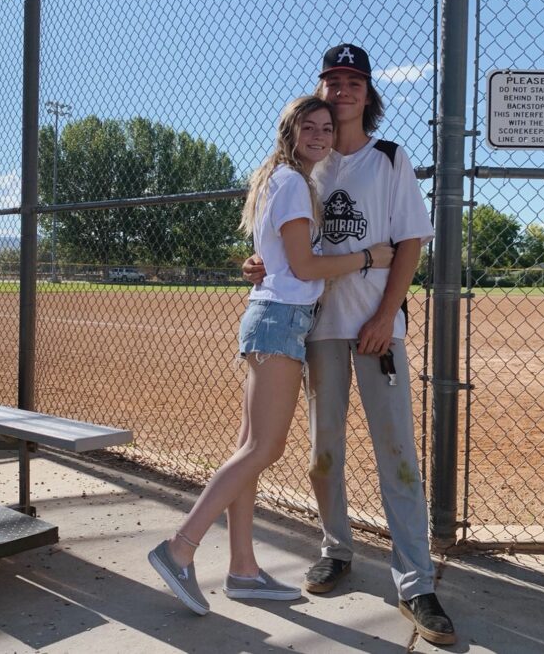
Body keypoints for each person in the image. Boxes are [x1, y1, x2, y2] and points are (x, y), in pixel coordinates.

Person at [243, 45, 456, 645]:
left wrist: (386, 317)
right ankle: (336, 549)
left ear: (368, 94)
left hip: (374, 327)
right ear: (319, 92)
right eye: (332, 81)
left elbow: (410, 243)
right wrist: (262, 263)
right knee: (323, 450)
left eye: (353, 82)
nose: (342, 92)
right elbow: (288, 244)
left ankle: (415, 581)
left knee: (396, 454)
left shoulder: (388, 158)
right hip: (317, 328)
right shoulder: (306, 162)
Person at [148, 95, 394, 615]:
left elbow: (283, 260)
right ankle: (179, 548)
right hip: (280, 321)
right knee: (264, 448)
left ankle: (242, 571)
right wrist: (370, 257)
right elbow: (303, 267)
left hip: (275, 318)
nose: (321, 135)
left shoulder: (282, 180)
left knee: (248, 449)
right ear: (291, 130)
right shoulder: (291, 182)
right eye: (310, 126)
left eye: (327, 128)